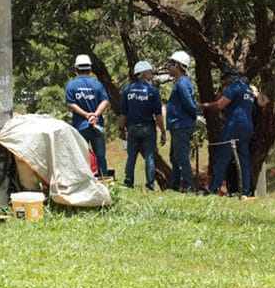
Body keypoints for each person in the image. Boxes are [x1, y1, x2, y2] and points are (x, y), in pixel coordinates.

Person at [201, 65, 256, 197]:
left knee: (222, 157)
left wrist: (202, 106)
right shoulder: (248, 90)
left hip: (234, 125)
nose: (223, 83)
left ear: (228, 77)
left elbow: (220, 105)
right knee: (243, 160)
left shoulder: (234, 87)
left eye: (223, 80)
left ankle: (214, 189)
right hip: (247, 127)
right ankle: (246, 192)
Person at [118, 61, 165, 190]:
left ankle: (128, 184)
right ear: (145, 74)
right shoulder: (152, 91)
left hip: (132, 128)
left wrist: (121, 129)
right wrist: (163, 130)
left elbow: (123, 113)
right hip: (148, 128)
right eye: (150, 72)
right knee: (149, 157)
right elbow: (158, 114)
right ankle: (150, 185)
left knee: (131, 157)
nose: (152, 75)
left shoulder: (127, 90)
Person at [65, 54, 110, 177]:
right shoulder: (98, 85)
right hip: (97, 125)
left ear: (76, 69)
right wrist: (95, 115)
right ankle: (104, 182)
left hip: (81, 126)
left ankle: (83, 183)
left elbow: (71, 104)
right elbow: (105, 101)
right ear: (90, 69)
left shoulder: (71, 85)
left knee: (80, 157)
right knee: (100, 156)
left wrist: (86, 115)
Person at [164, 50, 199, 192]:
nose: (168, 67)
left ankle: (188, 187)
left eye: (171, 64)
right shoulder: (181, 82)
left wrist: (196, 114)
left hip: (181, 124)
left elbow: (188, 102)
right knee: (175, 157)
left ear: (178, 65)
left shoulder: (182, 83)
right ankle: (174, 186)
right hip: (177, 124)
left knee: (181, 157)